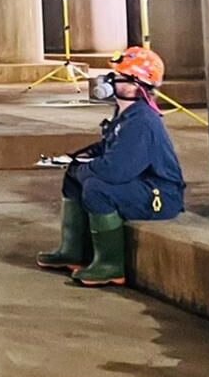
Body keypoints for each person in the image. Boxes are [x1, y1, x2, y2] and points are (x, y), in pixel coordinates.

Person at [36, 47, 185, 287]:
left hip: (160, 194)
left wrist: (86, 169)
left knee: (98, 188)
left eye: (118, 77)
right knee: (73, 177)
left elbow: (116, 171)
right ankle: (72, 252)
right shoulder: (126, 114)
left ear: (135, 84)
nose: (111, 80)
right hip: (142, 185)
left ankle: (109, 265)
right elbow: (108, 149)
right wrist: (75, 160)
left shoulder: (142, 121)